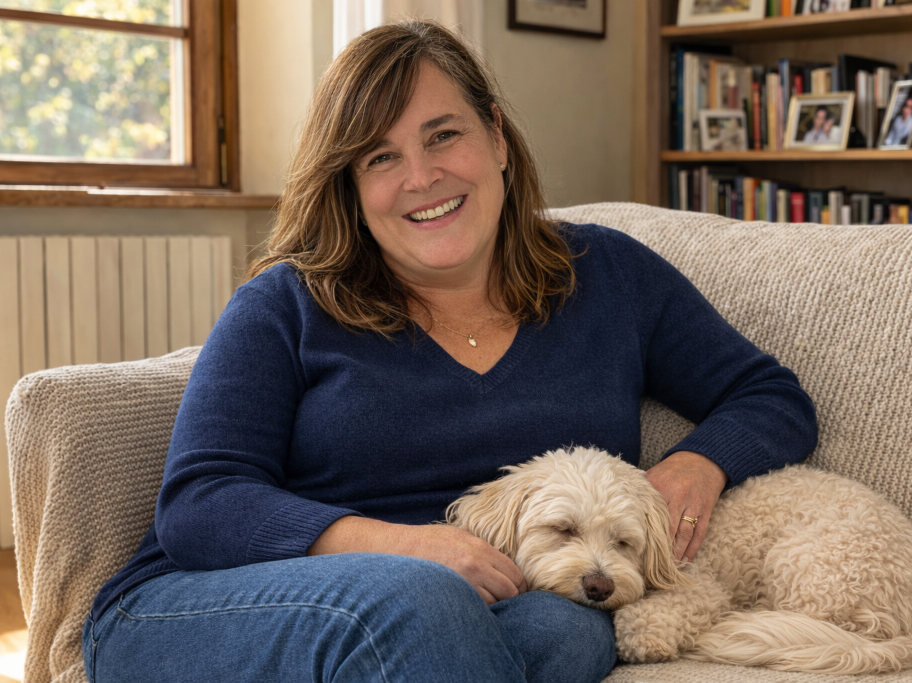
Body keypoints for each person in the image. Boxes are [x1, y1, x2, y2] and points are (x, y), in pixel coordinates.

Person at [82, 20, 817, 683]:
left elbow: (769, 394)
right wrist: (411, 548)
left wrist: (701, 461)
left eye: (443, 135)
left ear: (496, 136)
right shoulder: (286, 305)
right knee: (423, 606)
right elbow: (199, 507)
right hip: (201, 607)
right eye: (380, 157)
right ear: (350, 184)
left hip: (475, 603)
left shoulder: (608, 276)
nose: (422, 177)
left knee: (568, 631)